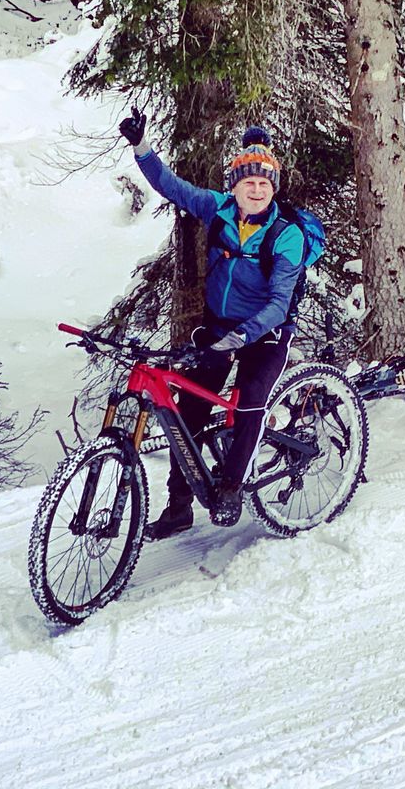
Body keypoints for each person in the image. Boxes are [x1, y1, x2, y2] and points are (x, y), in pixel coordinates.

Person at [119, 115, 311, 539]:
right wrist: (141, 147)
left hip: (265, 333)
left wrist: (241, 337)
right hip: (218, 326)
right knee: (186, 413)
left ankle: (231, 487)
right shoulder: (217, 208)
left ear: (273, 188)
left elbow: (279, 304)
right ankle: (178, 508)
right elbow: (171, 186)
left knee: (249, 403)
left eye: (264, 183)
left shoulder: (287, 235)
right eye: (249, 182)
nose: (256, 190)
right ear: (235, 186)